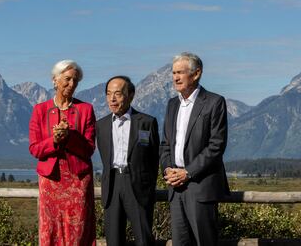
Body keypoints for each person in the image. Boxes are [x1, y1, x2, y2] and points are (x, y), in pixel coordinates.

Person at [160, 52, 230, 246]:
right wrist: (168, 171)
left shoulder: (214, 102)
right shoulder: (172, 104)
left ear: (196, 73)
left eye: (180, 72)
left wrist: (188, 172)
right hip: (175, 187)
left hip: (201, 187)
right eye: (173, 72)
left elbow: (216, 146)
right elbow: (166, 144)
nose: (175, 77)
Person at [29, 60, 96, 246]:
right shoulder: (40, 110)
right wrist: (55, 141)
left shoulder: (86, 110)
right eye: (67, 79)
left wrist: (70, 137)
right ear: (55, 80)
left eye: (75, 80)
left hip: (78, 179)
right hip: (51, 179)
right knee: (51, 229)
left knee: (78, 231)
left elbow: (89, 148)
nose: (71, 84)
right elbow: (35, 149)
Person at [96, 76, 160, 246]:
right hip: (112, 186)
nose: (112, 99)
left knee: (143, 239)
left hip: (138, 185)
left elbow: (154, 159)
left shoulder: (146, 122)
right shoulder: (100, 125)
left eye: (118, 93)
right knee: (113, 240)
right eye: (109, 94)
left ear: (130, 95)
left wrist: (148, 185)